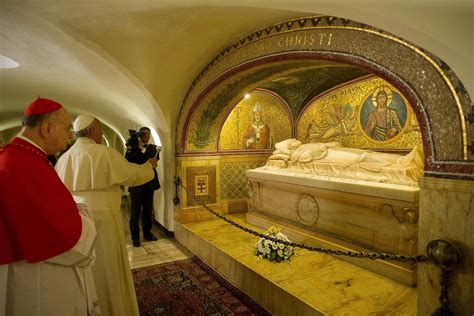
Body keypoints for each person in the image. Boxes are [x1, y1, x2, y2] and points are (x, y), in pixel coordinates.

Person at [0, 97, 98, 315]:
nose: (71, 135)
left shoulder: (21, 156)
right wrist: (83, 213)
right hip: (39, 278)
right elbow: (69, 241)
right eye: (67, 128)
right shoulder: (24, 164)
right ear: (47, 128)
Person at [55, 114, 157, 316]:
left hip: (76, 222)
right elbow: (132, 175)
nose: (101, 133)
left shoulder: (64, 158)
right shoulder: (103, 152)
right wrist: (150, 166)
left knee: (89, 268)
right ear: (92, 131)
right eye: (100, 129)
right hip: (103, 219)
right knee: (108, 266)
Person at [125, 127, 161, 247]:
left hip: (149, 184)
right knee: (135, 212)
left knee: (147, 210)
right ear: (140, 135)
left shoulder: (153, 148)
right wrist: (133, 148)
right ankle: (135, 237)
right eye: (144, 134)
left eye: (148, 134)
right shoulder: (131, 148)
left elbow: (153, 162)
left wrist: (140, 151)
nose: (147, 136)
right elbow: (128, 161)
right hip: (136, 184)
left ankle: (147, 233)